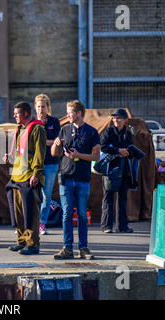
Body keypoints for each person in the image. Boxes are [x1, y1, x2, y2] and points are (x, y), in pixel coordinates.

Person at [51, 100, 100, 260]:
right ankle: (67, 247)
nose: (67, 115)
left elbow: (96, 156)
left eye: (70, 112)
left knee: (81, 214)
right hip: (65, 177)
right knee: (66, 214)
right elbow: (54, 153)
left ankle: (83, 247)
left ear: (79, 113)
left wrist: (78, 155)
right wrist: (57, 144)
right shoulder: (64, 130)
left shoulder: (92, 132)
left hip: (82, 178)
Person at [4, 101, 46, 255]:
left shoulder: (37, 129)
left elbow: (39, 154)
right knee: (19, 212)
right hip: (16, 176)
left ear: (26, 114)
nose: (14, 116)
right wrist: (10, 157)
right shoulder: (20, 129)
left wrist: (36, 173)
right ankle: (21, 240)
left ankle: (33, 244)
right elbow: (19, 152)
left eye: (17, 113)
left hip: (28, 176)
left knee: (31, 212)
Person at [100, 108, 134, 234]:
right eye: (114, 118)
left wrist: (127, 153)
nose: (116, 120)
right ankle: (106, 226)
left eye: (119, 118)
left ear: (125, 120)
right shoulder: (108, 132)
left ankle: (123, 226)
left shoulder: (128, 133)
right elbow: (102, 146)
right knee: (108, 197)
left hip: (124, 168)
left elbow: (131, 149)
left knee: (123, 198)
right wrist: (118, 151)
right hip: (110, 169)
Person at [34, 94, 60, 236]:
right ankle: (29, 223)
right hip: (34, 165)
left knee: (46, 195)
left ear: (48, 107)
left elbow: (57, 141)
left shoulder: (54, 122)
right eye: (38, 106)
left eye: (43, 106)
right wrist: (48, 142)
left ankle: (42, 223)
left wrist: (42, 142)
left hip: (50, 164)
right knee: (31, 194)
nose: (41, 109)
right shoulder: (32, 122)